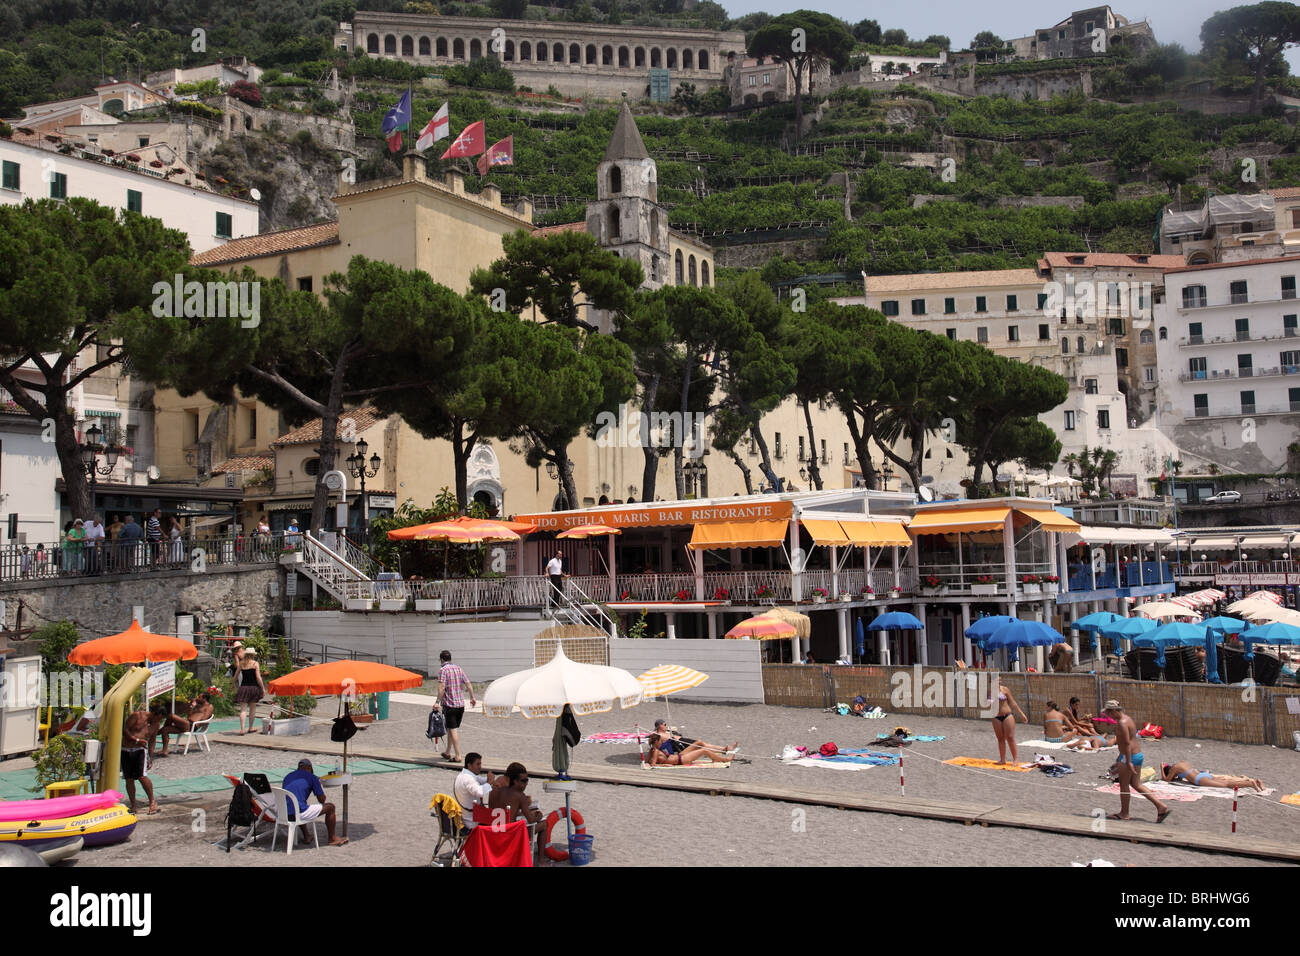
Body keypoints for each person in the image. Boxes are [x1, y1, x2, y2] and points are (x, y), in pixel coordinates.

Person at [1104, 700, 1170, 823]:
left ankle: (1124, 813)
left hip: (1129, 757)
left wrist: (1127, 761)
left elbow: (1127, 743)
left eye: (1108, 713)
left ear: (1113, 711)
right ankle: (1160, 806)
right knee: (1136, 784)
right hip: (1137, 755)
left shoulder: (1122, 723)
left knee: (1124, 786)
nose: (1108, 716)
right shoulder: (1127, 719)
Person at [486, 762, 545, 861]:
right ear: (515, 781)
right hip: (509, 836)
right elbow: (531, 820)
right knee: (544, 824)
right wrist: (538, 816)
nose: (526, 783)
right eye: (523, 781)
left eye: (527, 780)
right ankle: (541, 861)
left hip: (493, 833)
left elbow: (499, 811)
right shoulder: (519, 796)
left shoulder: (494, 790)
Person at [281, 759, 347, 846]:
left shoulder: (288, 776)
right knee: (330, 807)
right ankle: (332, 838)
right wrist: (317, 787)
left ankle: (307, 836)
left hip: (284, 812)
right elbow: (321, 800)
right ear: (309, 767)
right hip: (298, 812)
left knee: (299, 805)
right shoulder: (312, 777)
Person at [121, 704, 165, 814]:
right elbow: (125, 730)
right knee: (129, 778)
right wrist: (136, 740)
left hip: (140, 751)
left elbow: (152, 740)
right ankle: (133, 805)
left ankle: (152, 802)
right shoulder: (137, 716)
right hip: (127, 749)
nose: (158, 721)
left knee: (142, 777)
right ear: (154, 713)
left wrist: (150, 757)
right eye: (158, 718)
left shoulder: (155, 725)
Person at [434, 650, 475, 762]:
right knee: (451, 728)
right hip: (460, 705)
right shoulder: (458, 668)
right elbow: (468, 683)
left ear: (442, 659)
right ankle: (448, 752)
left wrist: (437, 701)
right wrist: (472, 697)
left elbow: (442, 687)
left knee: (452, 730)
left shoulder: (443, 670)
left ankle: (458, 755)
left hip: (450, 705)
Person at [454, 752, 502, 828]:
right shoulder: (468, 779)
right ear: (469, 765)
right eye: (478, 764)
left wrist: (490, 780)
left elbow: (479, 780)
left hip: (466, 815)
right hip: (471, 820)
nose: (480, 767)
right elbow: (479, 792)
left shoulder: (463, 775)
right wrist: (489, 782)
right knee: (500, 822)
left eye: (480, 764)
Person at [651, 718, 736, 760]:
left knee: (702, 745)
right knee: (702, 744)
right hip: (681, 745)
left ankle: (724, 749)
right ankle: (724, 749)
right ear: (660, 726)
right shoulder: (659, 735)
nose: (666, 726)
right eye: (665, 724)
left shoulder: (664, 733)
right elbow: (658, 744)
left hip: (683, 741)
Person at [1160, 761, 1265, 792]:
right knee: (1226, 781)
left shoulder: (1174, 769)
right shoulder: (1181, 763)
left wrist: (1161, 768)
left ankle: (1250, 783)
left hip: (1199, 779)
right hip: (1203, 774)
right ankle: (1257, 781)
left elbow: (1167, 780)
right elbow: (1180, 777)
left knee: (1226, 785)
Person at [988, 682, 1027, 765]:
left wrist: (1022, 714)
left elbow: (1013, 702)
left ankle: (1015, 759)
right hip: (996, 716)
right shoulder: (989, 691)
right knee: (1000, 738)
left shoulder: (1005, 689)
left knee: (1010, 737)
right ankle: (1002, 759)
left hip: (1007, 715)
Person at [646, 732, 732, 766]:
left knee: (698, 742)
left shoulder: (652, 750)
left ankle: (722, 751)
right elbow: (653, 765)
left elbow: (645, 762)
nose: (661, 743)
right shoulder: (656, 751)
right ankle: (723, 759)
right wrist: (664, 765)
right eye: (660, 741)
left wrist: (650, 762)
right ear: (656, 742)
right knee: (703, 750)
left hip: (679, 756)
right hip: (682, 760)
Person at [235, 646, 266, 735]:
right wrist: (263, 687)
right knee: (252, 709)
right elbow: (258, 677)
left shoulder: (242, 663)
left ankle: (242, 729)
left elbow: (236, 675)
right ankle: (251, 727)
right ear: (253, 655)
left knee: (243, 710)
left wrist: (233, 684)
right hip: (253, 688)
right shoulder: (255, 663)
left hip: (243, 688)